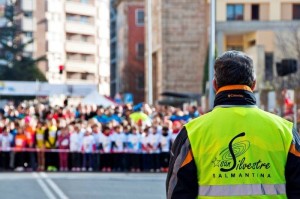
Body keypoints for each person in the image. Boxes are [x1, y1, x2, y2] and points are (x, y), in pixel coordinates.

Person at [166, 51, 300, 199]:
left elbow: (177, 193)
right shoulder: (285, 131)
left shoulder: (192, 133)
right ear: (253, 84)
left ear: (215, 85)